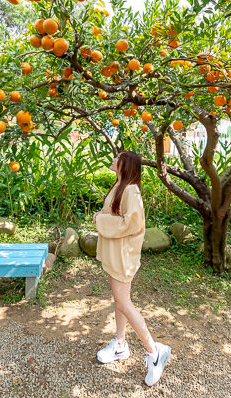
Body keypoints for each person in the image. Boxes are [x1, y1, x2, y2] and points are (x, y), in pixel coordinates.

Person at [93, 150, 171, 386]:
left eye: (118, 157)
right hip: (115, 254)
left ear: (126, 165)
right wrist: (102, 216)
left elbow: (132, 223)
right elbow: (117, 215)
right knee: (119, 302)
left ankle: (154, 351)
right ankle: (120, 345)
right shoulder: (120, 185)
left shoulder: (131, 191)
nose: (114, 159)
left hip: (123, 257)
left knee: (124, 303)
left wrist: (101, 220)